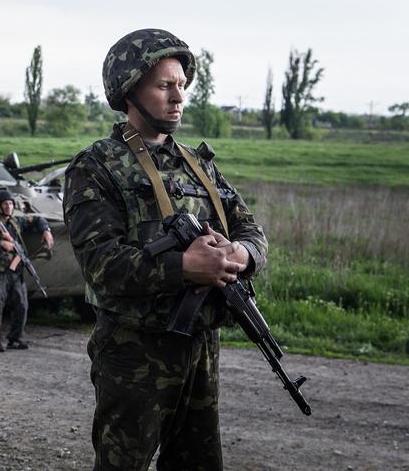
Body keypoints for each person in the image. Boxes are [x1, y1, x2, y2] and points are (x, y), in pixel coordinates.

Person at [63, 29, 268, 470]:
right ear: (129, 90)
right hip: (135, 353)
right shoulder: (95, 167)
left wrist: (240, 254)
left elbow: (251, 229)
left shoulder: (197, 163)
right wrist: (186, 267)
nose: (178, 97)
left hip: (200, 349)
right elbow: (102, 266)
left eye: (181, 85)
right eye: (163, 85)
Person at [0, 190, 54, 352]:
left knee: (22, 304)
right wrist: (0, 244)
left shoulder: (16, 222)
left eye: (11, 203)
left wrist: (46, 230)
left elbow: (37, 219)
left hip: (15, 271)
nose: (9, 207)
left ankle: (15, 337)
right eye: (5, 204)